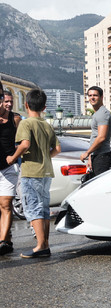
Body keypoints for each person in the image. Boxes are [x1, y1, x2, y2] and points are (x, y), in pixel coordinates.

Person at [6, 89, 60, 258]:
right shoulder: (47, 125)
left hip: (31, 171)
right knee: (43, 209)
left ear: (26, 104)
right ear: (44, 107)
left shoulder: (26, 123)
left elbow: (25, 144)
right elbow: (57, 149)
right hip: (46, 172)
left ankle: (40, 246)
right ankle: (45, 245)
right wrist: (45, 156)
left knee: (33, 208)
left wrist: (13, 157)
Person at [0, 87, 20, 254]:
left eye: (9, 101)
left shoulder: (15, 119)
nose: (7, 104)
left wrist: (14, 156)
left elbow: (22, 141)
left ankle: (2, 242)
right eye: (4, 101)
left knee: (6, 204)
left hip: (8, 168)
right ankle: (7, 239)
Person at [81, 86, 111, 179]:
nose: (92, 98)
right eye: (90, 95)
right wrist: (91, 157)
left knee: (101, 186)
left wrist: (87, 153)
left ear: (101, 97)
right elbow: (95, 137)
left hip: (102, 156)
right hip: (97, 156)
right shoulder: (97, 113)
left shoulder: (102, 114)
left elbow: (101, 137)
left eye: (95, 95)